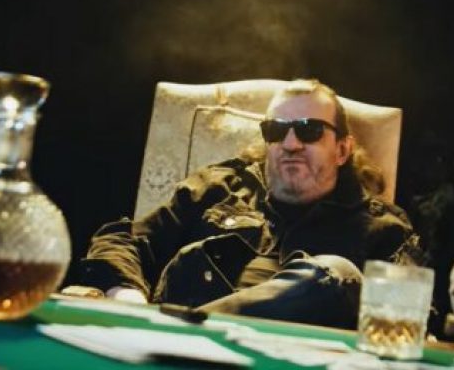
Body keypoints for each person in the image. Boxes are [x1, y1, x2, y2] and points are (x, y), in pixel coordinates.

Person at [73, 79, 424, 329]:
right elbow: (122, 239)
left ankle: (179, 332)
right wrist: (128, 296)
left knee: (338, 278)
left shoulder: (383, 227)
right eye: (276, 131)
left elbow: (410, 315)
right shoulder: (219, 188)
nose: (290, 144)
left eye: (309, 130)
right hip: (174, 334)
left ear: (343, 150)